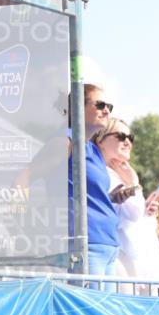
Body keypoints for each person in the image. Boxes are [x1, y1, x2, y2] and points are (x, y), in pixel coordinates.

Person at [93, 118, 159, 295]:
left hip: (136, 262)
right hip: (119, 258)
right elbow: (132, 214)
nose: (127, 141)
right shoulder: (101, 173)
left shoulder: (122, 173)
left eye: (130, 137)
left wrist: (147, 213)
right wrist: (133, 184)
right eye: (120, 135)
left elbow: (135, 216)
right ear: (100, 140)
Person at [67, 84, 119, 279]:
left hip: (108, 244)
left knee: (103, 308)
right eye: (100, 105)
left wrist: (114, 197)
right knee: (89, 308)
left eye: (109, 107)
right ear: (78, 107)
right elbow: (31, 174)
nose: (106, 110)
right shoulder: (67, 140)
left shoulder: (94, 150)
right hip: (86, 244)